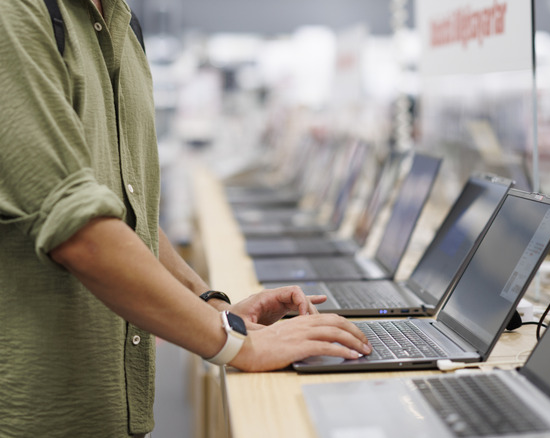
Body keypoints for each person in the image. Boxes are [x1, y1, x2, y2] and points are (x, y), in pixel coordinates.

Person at [0, 1, 370, 436]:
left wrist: (214, 307)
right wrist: (236, 344)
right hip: (40, 416)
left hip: (108, 411)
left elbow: (126, 211)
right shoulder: (18, 13)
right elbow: (82, 234)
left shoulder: (123, 23)